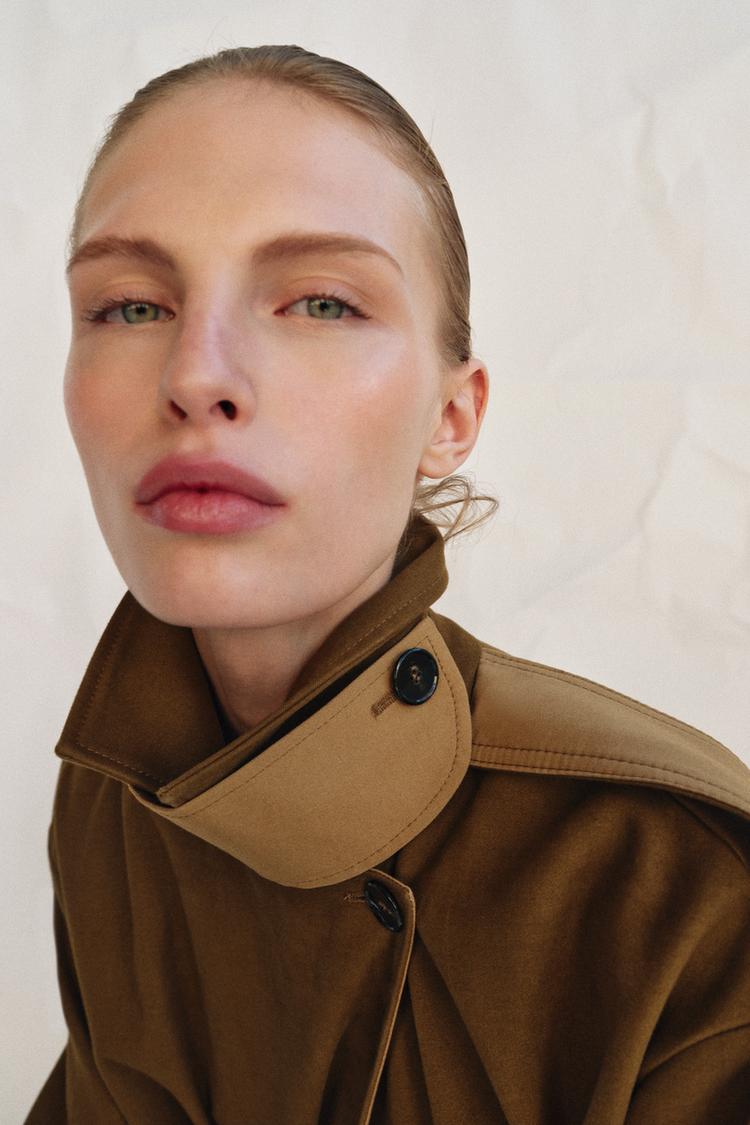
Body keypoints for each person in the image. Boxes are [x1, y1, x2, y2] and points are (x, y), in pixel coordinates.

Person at [26, 44, 750, 1125]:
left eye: (319, 303)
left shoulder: (678, 887)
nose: (196, 376)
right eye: (130, 306)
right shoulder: (110, 805)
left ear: (450, 419)